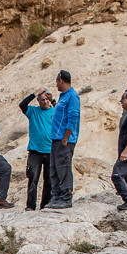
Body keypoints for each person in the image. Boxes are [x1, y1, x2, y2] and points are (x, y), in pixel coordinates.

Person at [44, 70, 80, 210]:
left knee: (63, 168)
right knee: (54, 168)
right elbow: (62, 113)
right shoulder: (64, 96)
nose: (56, 84)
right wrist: (53, 101)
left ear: (61, 81)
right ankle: (56, 196)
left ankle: (66, 197)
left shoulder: (72, 96)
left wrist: (66, 137)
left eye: (56, 81)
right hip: (56, 139)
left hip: (64, 140)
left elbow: (73, 117)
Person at [19, 86, 53, 210]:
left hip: (50, 150)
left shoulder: (54, 111)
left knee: (49, 180)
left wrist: (53, 99)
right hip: (35, 151)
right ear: (38, 101)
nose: (45, 102)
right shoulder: (33, 111)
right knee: (33, 178)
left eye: (47, 99)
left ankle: (45, 205)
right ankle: (30, 205)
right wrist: (34, 94)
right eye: (42, 100)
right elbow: (22, 105)